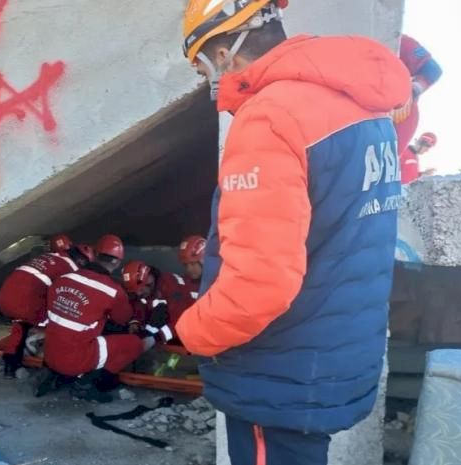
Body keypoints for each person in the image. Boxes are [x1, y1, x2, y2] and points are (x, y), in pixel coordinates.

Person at [178, 1, 408, 464]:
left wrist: (193, 332)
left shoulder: (269, 117)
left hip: (279, 369)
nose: (206, 77)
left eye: (202, 61)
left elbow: (260, 284)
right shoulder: (364, 106)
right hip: (334, 354)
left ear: (228, 48)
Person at [42, 235, 160, 402]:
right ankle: (86, 385)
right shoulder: (111, 291)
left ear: (95, 255)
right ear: (118, 263)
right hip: (74, 360)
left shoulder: (63, 279)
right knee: (134, 343)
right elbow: (123, 320)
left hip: (49, 354)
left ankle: (56, 376)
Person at [0, 242, 94, 376]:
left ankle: (11, 364)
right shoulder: (71, 269)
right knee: (63, 322)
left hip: (4, 297)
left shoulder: (50, 257)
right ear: (82, 260)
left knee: (20, 326)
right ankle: (51, 364)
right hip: (25, 304)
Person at [393, 35, 442, 165]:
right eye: (425, 143)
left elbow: (432, 70)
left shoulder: (397, 39)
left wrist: (411, 92)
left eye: (428, 145)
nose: (426, 148)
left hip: (396, 120)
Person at [121, 260, 192, 339]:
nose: (138, 294)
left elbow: (180, 321)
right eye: (135, 291)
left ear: (149, 281)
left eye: (140, 290)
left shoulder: (170, 285)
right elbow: (139, 305)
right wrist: (135, 322)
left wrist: (157, 337)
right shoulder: (145, 291)